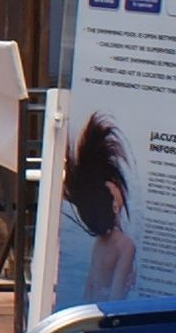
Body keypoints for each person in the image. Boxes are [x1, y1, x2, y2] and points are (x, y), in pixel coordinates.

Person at [59, 112, 139, 302]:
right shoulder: (125, 245)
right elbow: (116, 297)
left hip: (91, 308)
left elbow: (91, 286)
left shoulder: (100, 243)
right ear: (113, 205)